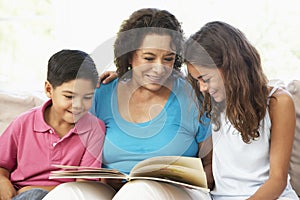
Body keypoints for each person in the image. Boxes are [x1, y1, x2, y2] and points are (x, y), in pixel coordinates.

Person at [43, 8, 212, 200]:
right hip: (115, 190)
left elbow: (212, 166)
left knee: (138, 192)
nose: (159, 68)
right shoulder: (101, 93)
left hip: (180, 193)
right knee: (70, 194)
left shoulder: (192, 96)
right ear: (130, 56)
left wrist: (182, 179)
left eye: (168, 59)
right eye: (149, 58)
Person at [184, 21, 299, 199]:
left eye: (205, 78)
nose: (202, 88)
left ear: (231, 67)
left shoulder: (278, 102)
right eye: (197, 80)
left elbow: (277, 180)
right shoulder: (210, 102)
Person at [0, 49, 107, 200]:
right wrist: (2, 181)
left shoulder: (94, 129)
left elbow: (84, 185)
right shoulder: (24, 122)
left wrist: (33, 189)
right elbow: (2, 165)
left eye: (87, 97)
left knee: (36, 194)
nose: (78, 105)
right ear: (49, 89)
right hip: (18, 193)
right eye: (69, 96)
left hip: (62, 195)